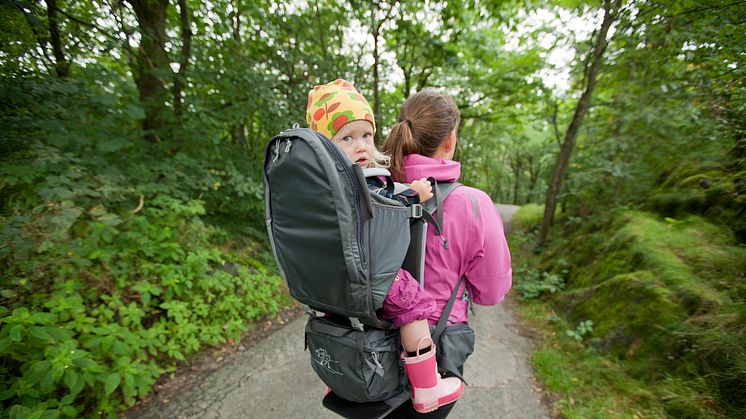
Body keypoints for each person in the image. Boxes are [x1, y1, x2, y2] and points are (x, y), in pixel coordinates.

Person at [306, 79, 465, 414]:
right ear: (324, 147)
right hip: (373, 270)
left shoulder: (323, 186)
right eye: (346, 138)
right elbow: (382, 208)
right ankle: (426, 387)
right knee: (414, 303)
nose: (361, 145)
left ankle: (341, 377)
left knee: (343, 323)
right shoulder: (352, 180)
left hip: (337, 277)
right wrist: (415, 195)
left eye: (366, 135)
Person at [381, 90, 513, 418]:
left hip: (369, 346)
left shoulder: (376, 190)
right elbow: (491, 292)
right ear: (449, 140)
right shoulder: (472, 203)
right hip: (436, 353)